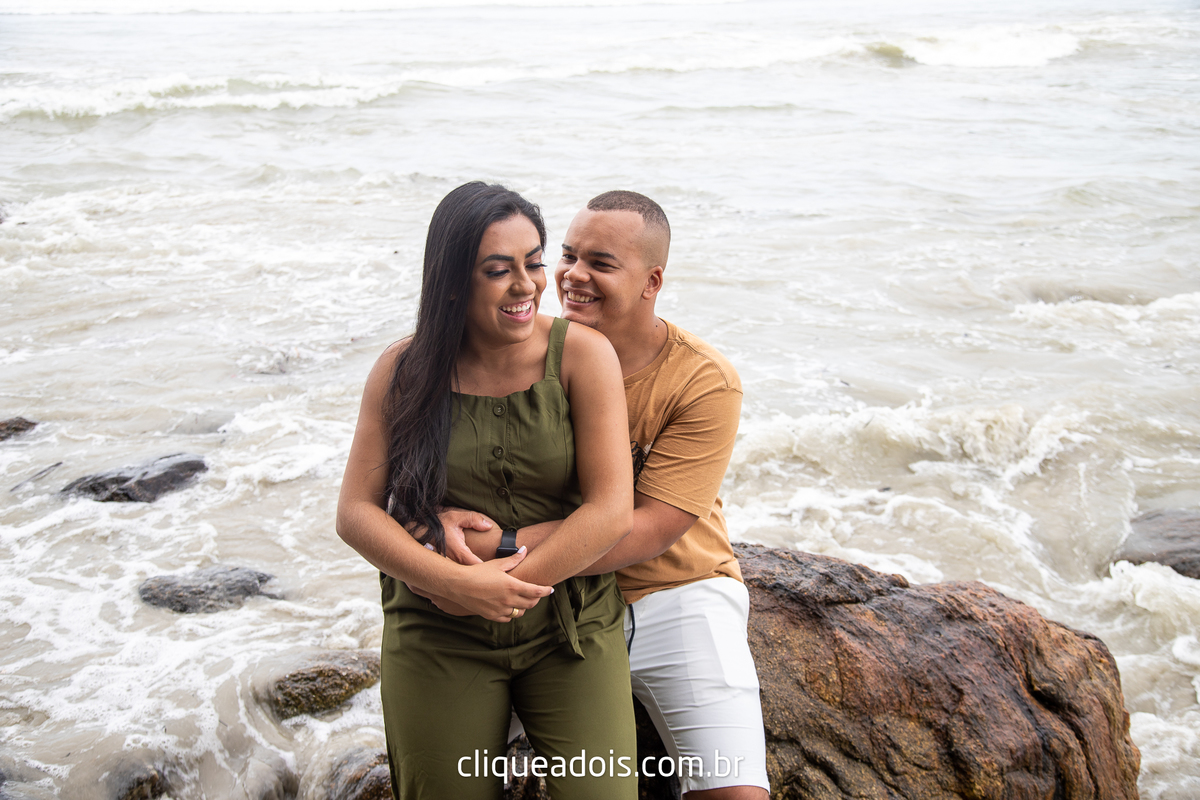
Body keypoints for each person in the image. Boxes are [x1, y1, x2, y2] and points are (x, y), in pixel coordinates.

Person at [438, 191, 770, 798]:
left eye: (601, 262)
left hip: (676, 597)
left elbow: (645, 528)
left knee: (734, 789)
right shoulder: (525, 351)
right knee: (454, 767)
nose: (572, 276)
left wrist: (500, 548)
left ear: (653, 280)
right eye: (566, 255)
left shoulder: (702, 379)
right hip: (562, 599)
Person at [336, 182, 638, 800]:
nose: (526, 285)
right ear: (451, 281)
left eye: (534, 262)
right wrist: (451, 585)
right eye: (498, 270)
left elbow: (611, 511)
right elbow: (355, 513)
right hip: (437, 627)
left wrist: (503, 589)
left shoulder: (583, 355)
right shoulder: (403, 371)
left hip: (568, 624)